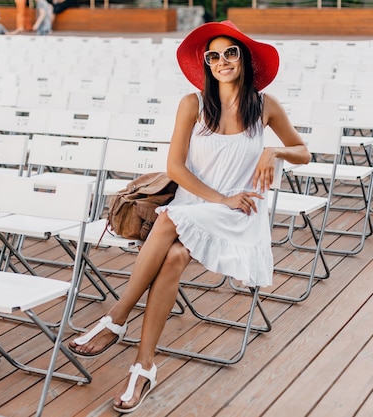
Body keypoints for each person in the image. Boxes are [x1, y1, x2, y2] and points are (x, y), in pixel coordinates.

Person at [67, 20, 310, 413]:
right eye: (213, 56)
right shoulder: (192, 104)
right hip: (197, 204)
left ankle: (116, 317)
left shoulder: (266, 106)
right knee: (174, 256)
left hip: (239, 213)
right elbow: (176, 168)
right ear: (208, 66)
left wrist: (274, 152)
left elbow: (304, 152)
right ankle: (143, 367)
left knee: (168, 220)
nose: (222, 61)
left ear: (244, 59)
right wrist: (219, 198)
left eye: (231, 52)